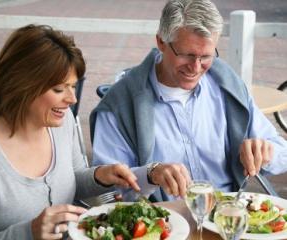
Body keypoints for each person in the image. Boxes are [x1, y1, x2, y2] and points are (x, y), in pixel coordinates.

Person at [90, 0, 287, 202]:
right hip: (164, 223)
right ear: (161, 42)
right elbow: (108, 194)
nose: (196, 67)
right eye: (187, 55)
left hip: (227, 216)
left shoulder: (228, 85)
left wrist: (266, 152)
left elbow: (283, 153)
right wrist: (150, 175)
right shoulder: (118, 105)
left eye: (206, 56)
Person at [0, 24, 140, 240]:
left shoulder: (62, 120)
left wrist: (101, 176)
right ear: (21, 85)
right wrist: (28, 233)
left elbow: (73, 180)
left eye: (73, 86)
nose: (72, 99)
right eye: (59, 89)